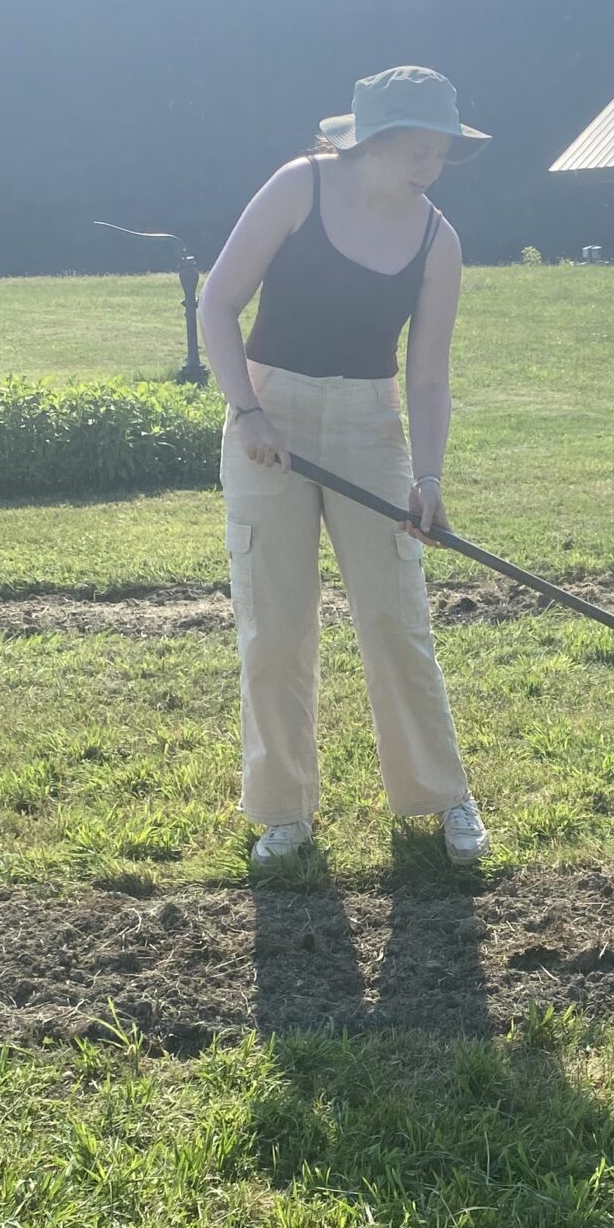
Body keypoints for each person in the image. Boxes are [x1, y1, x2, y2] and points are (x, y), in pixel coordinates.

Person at [198, 65, 492, 872]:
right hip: (270, 417)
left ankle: (442, 796)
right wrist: (247, 411)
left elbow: (428, 379)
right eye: (417, 148)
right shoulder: (299, 187)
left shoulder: (438, 240)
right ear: (371, 142)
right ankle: (282, 812)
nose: (431, 164)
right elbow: (217, 303)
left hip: (371, 423)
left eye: (441, 150)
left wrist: (428, 479)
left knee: (396, 617)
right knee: (276, 625)